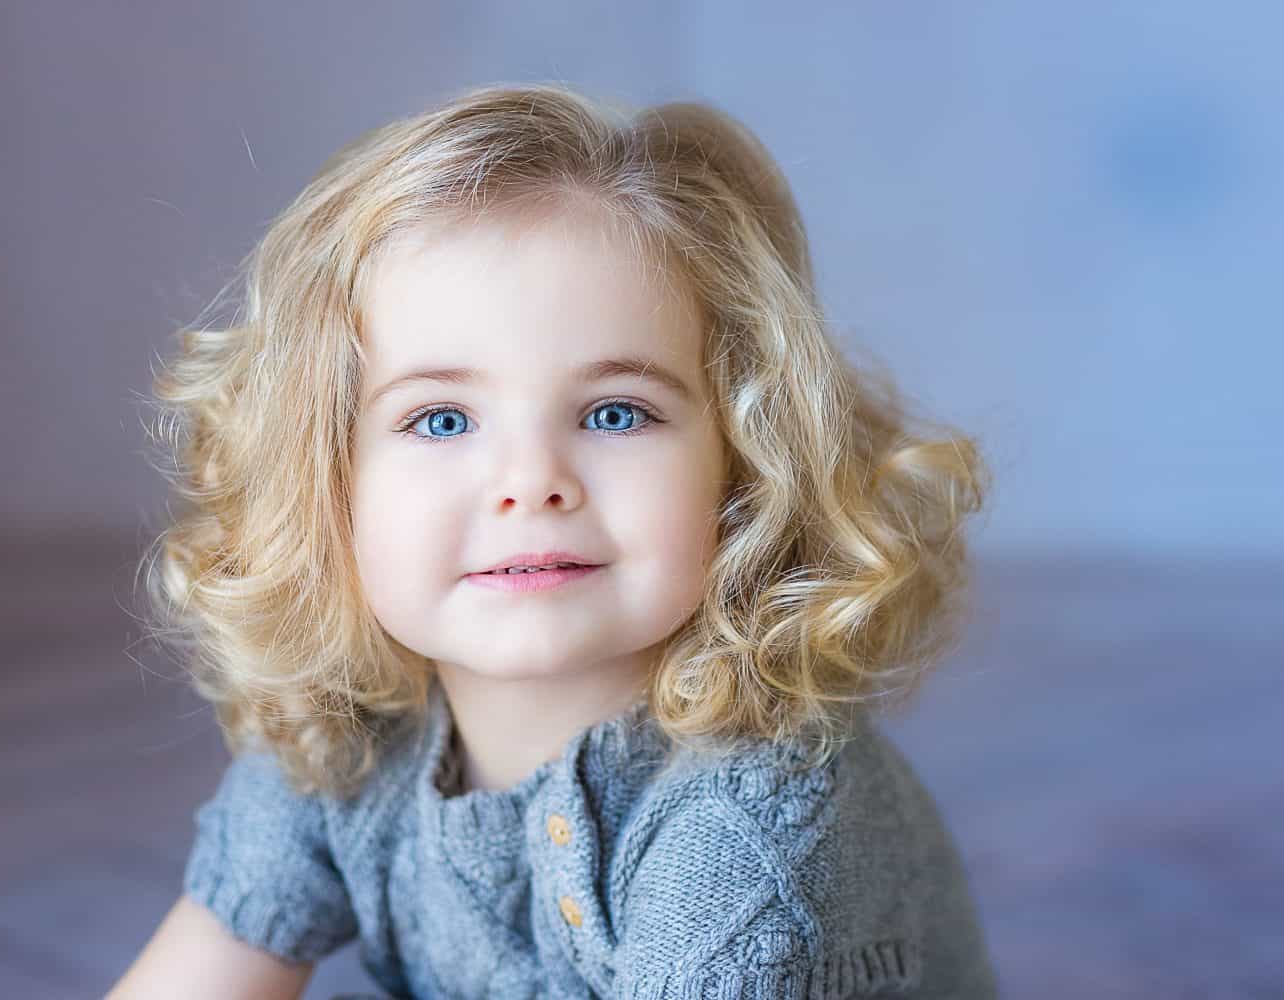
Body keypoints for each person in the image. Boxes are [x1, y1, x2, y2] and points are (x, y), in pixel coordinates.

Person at [108, 81, 999, 999]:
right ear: (327, 483)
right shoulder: (347, 746)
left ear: (747, 464)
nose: (531, 480)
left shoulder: (749, 841)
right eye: (443, 420)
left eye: (616, 412)